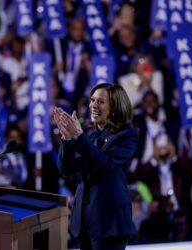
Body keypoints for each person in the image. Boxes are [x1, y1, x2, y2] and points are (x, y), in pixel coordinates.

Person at [52, 83, 139, 250]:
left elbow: (104, 164)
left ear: (114, 107)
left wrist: (78, 136)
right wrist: (68, 139)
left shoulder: (127, 134)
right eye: (92, 100)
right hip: (84, 221)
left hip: (109, 222)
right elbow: (67, 169)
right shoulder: (89, 135)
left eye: (100, 101)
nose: (93, 105)